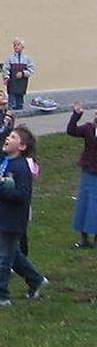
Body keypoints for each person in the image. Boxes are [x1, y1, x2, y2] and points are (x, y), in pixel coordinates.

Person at [0, 126, 49, 307]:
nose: (8, 138)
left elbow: (22, 196)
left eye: (13, 137)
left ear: (22, 146)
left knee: (3, 259)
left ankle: (0, 296)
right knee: (13, 255)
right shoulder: (6, 163)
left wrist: (3, 190)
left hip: (13, 218)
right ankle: (36, 280)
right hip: (3, 216)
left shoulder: (20, 168)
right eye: (9, 135)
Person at [66, 101, 97, 249]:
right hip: (89, 171)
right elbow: (71, 131)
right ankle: (84, 238)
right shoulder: (89, 129)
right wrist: (76, 115)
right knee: (85, 204)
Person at [1, 37, 35, 110]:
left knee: (20, 97)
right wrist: (6, 77)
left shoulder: (27, 59)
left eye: (18, 45)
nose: (16, 47)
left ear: (22, 47)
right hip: (12, 82)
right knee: (12, 96)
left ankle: (20, 108)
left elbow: (31, 70)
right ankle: (11, 109)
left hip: (22, 82)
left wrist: (23, 73)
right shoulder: (10, 58)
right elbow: (5, 69)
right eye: (14, 45)